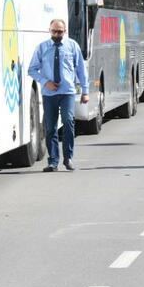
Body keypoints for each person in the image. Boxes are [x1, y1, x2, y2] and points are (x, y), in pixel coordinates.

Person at [28, 19, 89, 172]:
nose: (57, 34)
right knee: (50, 128)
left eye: (60, 31)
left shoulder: (72, 46)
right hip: (49, 94)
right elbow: (32, 69)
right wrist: (45, 81)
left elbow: (81, 69)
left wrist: (85, 91)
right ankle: (53, 161)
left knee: (68, 122)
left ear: (65, 31)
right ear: (49, 30)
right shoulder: (42, 48)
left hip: (67, 91)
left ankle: (68, 158)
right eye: (54, 31)